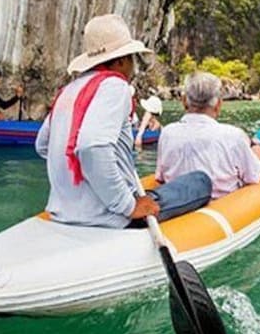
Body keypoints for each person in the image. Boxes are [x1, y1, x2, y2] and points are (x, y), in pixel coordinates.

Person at [35, 14, 212, 228]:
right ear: (121, 60)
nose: (133, 65)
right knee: (200, 181)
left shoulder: (69, 90)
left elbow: (43, 145)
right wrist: (128, 206)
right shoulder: (114, 86)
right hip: (109, 217)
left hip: (61, 212)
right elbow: (92, 146)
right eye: (131, 58)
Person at [156, 72, 260, 199]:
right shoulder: (233, 136)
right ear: (218, 105)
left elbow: (160, 177)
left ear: (184, 102)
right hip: (223, 206)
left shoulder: (167, 133)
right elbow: (255, 176)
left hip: (178, 204)